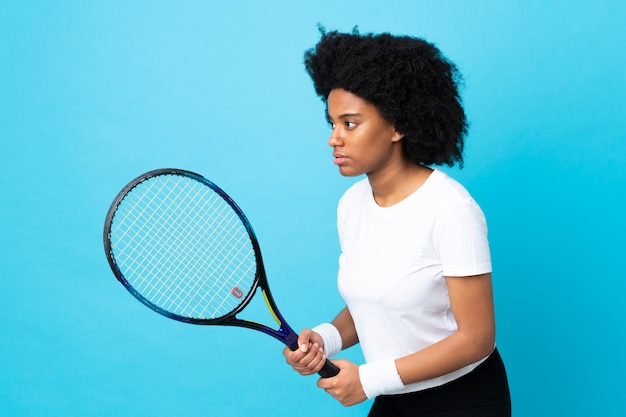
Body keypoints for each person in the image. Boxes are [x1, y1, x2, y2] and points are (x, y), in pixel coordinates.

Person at [282, 27, 511, 417]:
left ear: (397, 126)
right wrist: (326, 338)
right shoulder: (351, 205)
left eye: (350, 124)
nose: (333, 139)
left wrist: (369, 381)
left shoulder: (450, 208)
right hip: (396, 397)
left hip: (464, 401)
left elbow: (477, 339)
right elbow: (377, 301)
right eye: (331, 123)